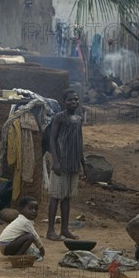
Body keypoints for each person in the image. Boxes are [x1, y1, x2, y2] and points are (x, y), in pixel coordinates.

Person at [46, 89, 86, 241]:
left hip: (73, 163)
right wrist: (55, 160)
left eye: (76, 100)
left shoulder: (78, 119)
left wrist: (83, 163)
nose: (73, 102)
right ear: (64, 102)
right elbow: (52, 140)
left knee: (67, 197)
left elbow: (79, 142)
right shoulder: (59, 118)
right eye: (70, 100)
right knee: (55, 196)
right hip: (61, 162)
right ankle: (50, 231)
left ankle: (64, 229)